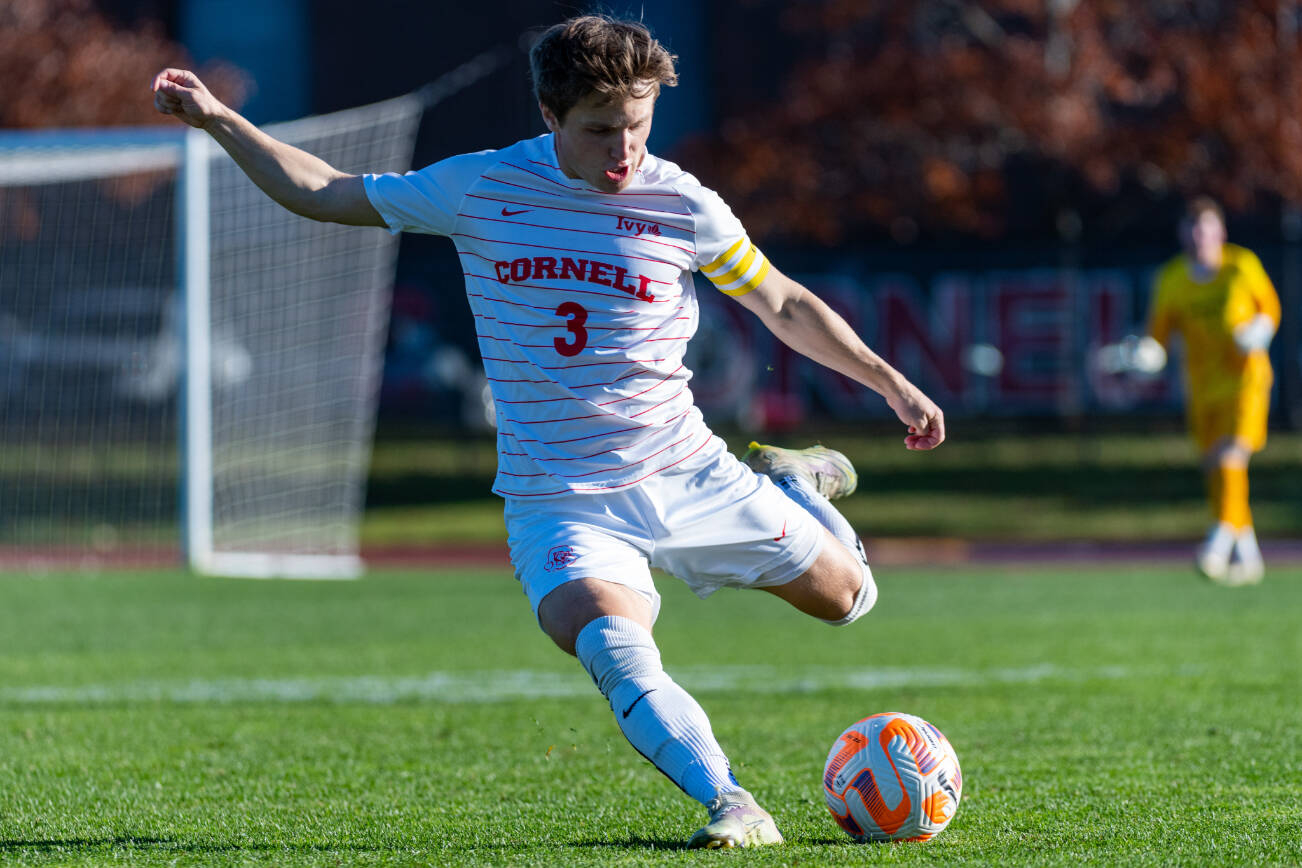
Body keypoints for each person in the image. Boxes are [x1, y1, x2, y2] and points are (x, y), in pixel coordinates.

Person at [152, 15, 945, 848]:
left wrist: (890, 382)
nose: (623, 150)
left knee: (849, 601)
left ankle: (795, 485)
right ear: (549, 115)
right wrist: (219, 120)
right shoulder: (481, 188)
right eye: (600, 130)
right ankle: (734, 805)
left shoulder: (682, 203)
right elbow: (324, 192)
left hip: (690, 473)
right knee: (613, 646)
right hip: (561, 498)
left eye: (637, 124)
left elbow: (781, 302)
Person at [1143, 197, 1280, 585]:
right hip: (1202, 386)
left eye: (1206, 228)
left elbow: (1270, 309)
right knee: (1216, 470)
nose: (1200, 236)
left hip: (1245, 380)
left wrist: (1258, 331)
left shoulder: (1241, 266)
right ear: (1182, 234)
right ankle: (1249, 556)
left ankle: (1217, 544)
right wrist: (1145, 356)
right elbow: (1159, 339)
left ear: (1221, 232)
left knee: (1232, 456)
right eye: (1192, 228)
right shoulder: (1172, 279)